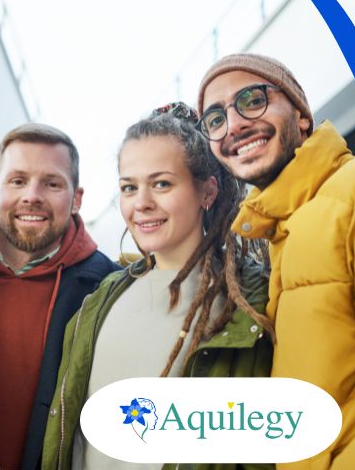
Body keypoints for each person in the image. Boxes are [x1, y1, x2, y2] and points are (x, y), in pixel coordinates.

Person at [42, 103, 274, 470]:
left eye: (162, 183)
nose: (142, 203)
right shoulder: (98, 302)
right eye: (129, 188)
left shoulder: (253, 301)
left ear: (207, 192)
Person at [197, 53, 355, 469]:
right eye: (215, 119)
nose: (235, 125)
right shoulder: (281, 234)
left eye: (251, 99)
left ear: (300, 115)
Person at [0, 123, 119, 469]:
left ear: (76, 199)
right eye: (18, 180)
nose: (32, 196)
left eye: (52, 183)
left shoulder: (109, 288)